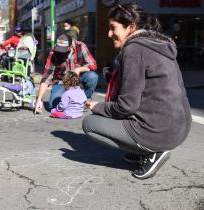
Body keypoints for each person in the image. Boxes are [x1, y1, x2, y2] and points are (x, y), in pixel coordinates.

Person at [82, 3, 192, 179]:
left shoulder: (134, 49)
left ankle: (150, 152)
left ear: (131, 27)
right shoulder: (158, 45)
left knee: (90, 124)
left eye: (113, 28)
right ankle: (142, 148)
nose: (109, 34)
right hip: (180, 127)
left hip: (159, 132)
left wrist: (97, 106)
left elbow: (126, 106)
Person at [34, 34, 98, 113]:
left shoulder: (80, 46)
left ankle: (84, 100)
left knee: (92, 76)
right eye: (59, 49)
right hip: (61, 82)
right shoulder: (54, 52)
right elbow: (46, 76)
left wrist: (79, 69)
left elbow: (93, 65)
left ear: (70, 47)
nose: (61, 52)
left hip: (78, 81)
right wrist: (39, 99)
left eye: (63, 50)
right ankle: (72, 101)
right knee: (52, 106)